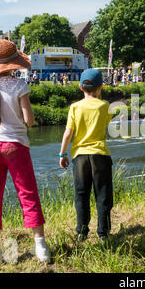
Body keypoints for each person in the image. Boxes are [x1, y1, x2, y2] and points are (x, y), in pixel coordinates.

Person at [0, 39, 50, 267]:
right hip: (16, 146)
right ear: (12, 64)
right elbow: (29, 120)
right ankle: (41, 248)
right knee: (28, 194)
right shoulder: (19, 86)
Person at [59, 69, 113, 243]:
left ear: (80, 87)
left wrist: (62, 153)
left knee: (81, 194)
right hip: (100, 154)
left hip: (80, 156)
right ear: (100, 87)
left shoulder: (74, 107)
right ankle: (103, 233)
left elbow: (68, 133)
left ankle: (81, 232)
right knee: (103, 194)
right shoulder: (105, 106)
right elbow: (105, 123)